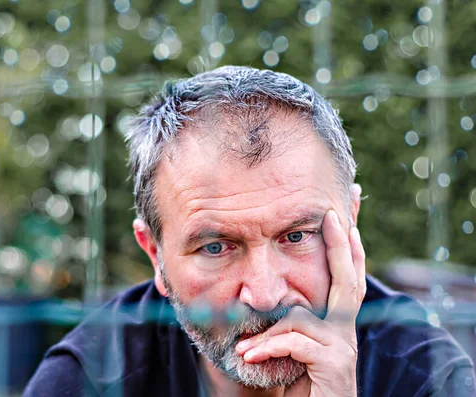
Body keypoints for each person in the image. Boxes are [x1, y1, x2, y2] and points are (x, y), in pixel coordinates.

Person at [24, 66, 475, 396]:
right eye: (216, 246)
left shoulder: (427, 376)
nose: (264, 295)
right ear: (156, 256)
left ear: (350, 224)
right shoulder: (85, 381)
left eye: (297, 236)